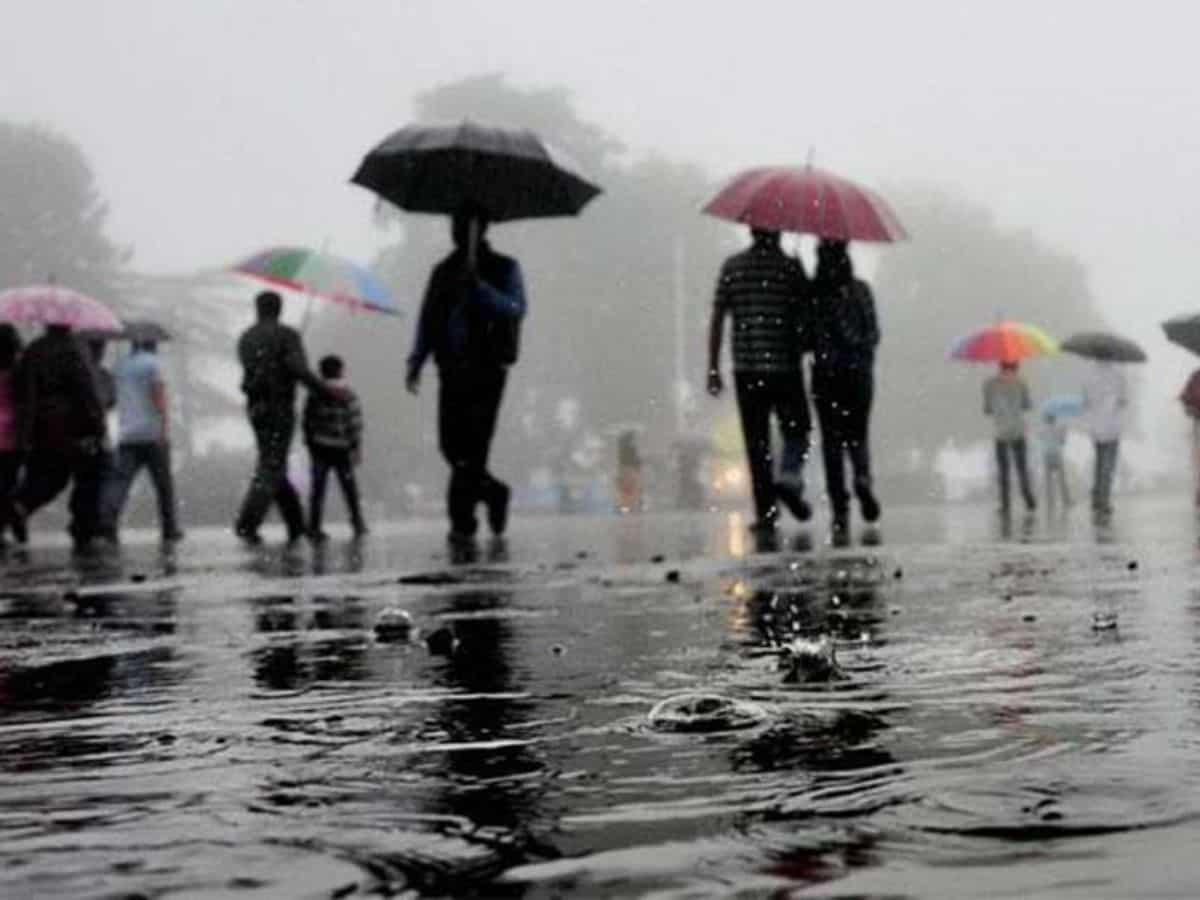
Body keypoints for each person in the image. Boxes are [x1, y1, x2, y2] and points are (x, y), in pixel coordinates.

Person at [406, 213, 526, 545]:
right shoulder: (443, 271)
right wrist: (417, 358)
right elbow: (428, 317)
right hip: (451, 366)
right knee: (450, 443)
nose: (457, 232)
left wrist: (481, 289)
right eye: (454, 226)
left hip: (488, 366)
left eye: (464, 226)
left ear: (482, 228)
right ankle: (493, 492)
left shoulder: (505, 267)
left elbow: (516, 308)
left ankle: (462, 520)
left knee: (473, 446)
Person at [706, 227, 811, 540]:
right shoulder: (790, 268)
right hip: (785, 367)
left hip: (747, 369)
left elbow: (718, 317)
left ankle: (766, 514)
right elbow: (805, 316)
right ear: (778, 233)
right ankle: (790, 477)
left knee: (757, 443)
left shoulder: (732, 267)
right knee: (797, 428)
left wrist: (712, 367)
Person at [234, 290, 336, 545]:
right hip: (279, 407)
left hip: (255, 408)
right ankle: (247, 522)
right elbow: (297, 368)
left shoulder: (246, 338)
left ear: (258, 309)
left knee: (273, 462)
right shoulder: (287, 335)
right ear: (279, 309)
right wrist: (325, 391)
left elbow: (255, 370)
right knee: (271, 465)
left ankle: (296, 523)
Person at [0, 323, 109, 550]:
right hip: (73, 427)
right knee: (90, 474)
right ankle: (84, 528)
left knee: (48, 478)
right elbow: (86, 391)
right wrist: (98, 427)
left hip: (41, 430)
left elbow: (23, 392)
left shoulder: (33, 350)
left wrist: (26, 432)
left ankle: (20, 506)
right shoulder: (75, 350)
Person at [810, 239, 881, 540]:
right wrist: (859, 353)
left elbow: (804, 337)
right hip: (858, 375)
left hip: (826, 376)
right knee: (857, 434)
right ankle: (862, 478)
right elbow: (875, 333)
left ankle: (840, 505)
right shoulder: (862, 291)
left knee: (831, 441)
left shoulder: (816, 295)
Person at [100, 336, 183, 544]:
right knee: (163, 484)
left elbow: (113, 398)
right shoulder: (153, 364)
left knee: (121, 481)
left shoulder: (120, 365)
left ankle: (108, 520)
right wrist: (164, 427)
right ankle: (169, 528)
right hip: (152, 433)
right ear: (152, 344)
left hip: (128, 433)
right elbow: (158, 396)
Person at [303, 354, 367, 540]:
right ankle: (357, 523)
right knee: (349, 488)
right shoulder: (349, 394)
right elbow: (354, 422)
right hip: (342, 448)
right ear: (340, 371)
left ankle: (314, 527)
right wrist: (356, 447)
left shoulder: (315, 394)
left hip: (320, 448)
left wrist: (309, 442)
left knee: (318, 489)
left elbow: (308, 421)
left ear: (322, 372)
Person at [983, 360, 1037, 514]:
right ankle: (1028, 498)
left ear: (1000, 366)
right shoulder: (1021, 382)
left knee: (1003, 470)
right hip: (1018, 429)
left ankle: (1005, 504)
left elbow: (987, 409)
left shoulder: (990, 384)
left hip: (1000, 431)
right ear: (1016, 366)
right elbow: (1027, 405)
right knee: (1021, 467)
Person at [1082, 360, 1127, 515]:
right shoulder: (1118, 377)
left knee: (1099, 462)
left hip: (1096, 427)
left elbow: (1085, 402)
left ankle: (1096, 497)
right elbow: (1123, 401)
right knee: (1108, 466)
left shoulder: (1088, 377)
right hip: (1112, 428)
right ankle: (1104, 501)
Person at [0, 324, 26, 544]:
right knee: (9, 481)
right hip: (12, 434)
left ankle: (10, 514)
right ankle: (15, 510)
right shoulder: (19, 372)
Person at [1040, 411, 1071, 508]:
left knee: (1048, 481)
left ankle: (1050, 501)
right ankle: (1066, 500)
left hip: (1047, 455)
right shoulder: (1059, 428)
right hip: (1057, 455)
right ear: (1054, 418)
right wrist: (1064, 432)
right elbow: (1062, 442)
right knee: (1062, 479)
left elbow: (1041, 440)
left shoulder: (1043, 429)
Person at [1180, 367, 1200, 507]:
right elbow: (1185, 397)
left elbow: (1185, 397)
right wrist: (1190, 407)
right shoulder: (1196, 376)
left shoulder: (1196, 375)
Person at [615, 428, 643, 513]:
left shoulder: (622, 449)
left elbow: (622, 461)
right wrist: (638, 466)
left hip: (624, 470)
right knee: (632, 489)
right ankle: (631, 506)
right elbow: (635, 460)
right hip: (630, 471)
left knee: (625, 490)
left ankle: (625, 506)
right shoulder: (630, 449)